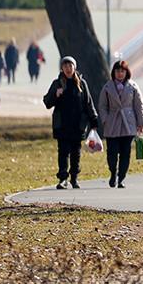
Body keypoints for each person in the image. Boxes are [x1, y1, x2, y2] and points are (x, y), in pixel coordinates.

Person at [43, 56, 99, 190]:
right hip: (62, 125)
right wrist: (55, 95)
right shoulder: (57, 83)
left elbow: (88, 103)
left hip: (77, 125)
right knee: (63, 152)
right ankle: (63, 179)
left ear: (75, 67)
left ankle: (74, 178)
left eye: (70, 66)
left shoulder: (82, 84)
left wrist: (94, 120)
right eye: (65, 66)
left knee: (76, 153)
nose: (68, 69)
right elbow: (47, 103)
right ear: (61, 68)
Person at [97, 60, 143, 188]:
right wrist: (105, 119)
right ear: (114, 72)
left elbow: (139, 105)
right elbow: (102, 105)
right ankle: (113, 172)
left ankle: (121, 178)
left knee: (125, 153)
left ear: (126, 72)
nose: (120, 74)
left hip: (128, 123)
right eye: (118, 71)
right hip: (112, 123)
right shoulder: (107, 87)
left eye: (122, 71)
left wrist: (141, 123)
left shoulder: (133, 86)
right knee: (111, 153)